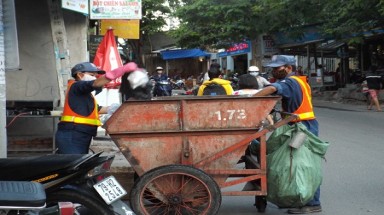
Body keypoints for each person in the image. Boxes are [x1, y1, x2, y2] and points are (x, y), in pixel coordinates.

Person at [254, 55, 322, 214]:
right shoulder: (297, 81)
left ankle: (312, 203)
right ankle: (300, 198)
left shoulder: (290, 81)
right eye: (273, 68)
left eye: (278, 68)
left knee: (303, 164)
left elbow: (272, 89)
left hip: (302, 128)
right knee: (299, 162)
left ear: (289, 68)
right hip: (301, 125)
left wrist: (250, 98)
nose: (274, 70)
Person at [55, 62, 138, 154]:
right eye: (92, 75)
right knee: (73, 164)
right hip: (72, 134)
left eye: (96, 76)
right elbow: (96, 83)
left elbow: (97, 109)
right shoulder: (77, 86)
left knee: (79, 164)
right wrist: (120, 70)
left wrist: (115, 108)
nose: (95, 77)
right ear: (80, 75)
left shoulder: (84, 94)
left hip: (80, 133)